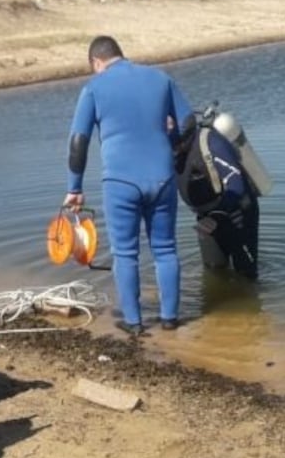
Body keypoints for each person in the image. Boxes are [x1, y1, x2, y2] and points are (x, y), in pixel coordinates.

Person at [63, 36, 193, 336]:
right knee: (165, 249)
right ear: (119, 54)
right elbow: (188, 123)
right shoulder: (160, 78)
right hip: (163, 178)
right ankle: (170, 319)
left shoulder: (94, 88)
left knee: (125, 253)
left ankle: (134, 323)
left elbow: (78, 141)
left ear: (96, 62)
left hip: (120, 182)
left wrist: (75, 188)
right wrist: (172, 146)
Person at [172, 111, 260, 280]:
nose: (174, 149)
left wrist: (216, 216)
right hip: (206, 219)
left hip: (238, 213)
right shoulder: (168, 150)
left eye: (177, 143)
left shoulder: (212, 143)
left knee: (246, 274)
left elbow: (236, 184)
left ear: (186, 136)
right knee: (214, 272)